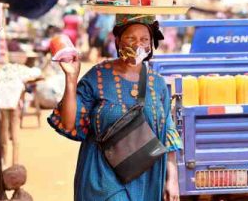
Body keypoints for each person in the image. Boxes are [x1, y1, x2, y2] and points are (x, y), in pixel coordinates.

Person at [48, 14, 183, 201]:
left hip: (147, 179)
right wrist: (71, 79)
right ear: (118, 41)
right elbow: (69, 122)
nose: (138, 45)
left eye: (144, 39)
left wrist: (173, 178)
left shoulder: (158, 84)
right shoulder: (98, 76)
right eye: (131, 38)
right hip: (102, 176)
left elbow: (168, 130)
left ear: (151, 44)